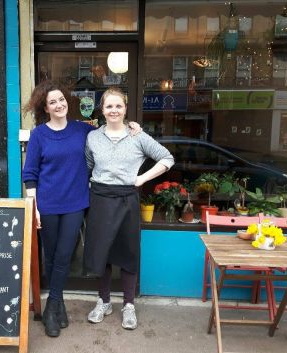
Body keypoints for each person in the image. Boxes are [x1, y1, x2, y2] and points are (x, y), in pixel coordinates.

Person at [22, 80, 140, 337]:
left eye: (61, 100)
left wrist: (132, 125)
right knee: (51, 257)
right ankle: (59, 304)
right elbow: (30, 173)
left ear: (67, 101)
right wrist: (34, 206)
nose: (58, 104)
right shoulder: (39, 135)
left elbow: (111, 128)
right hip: (48, 205)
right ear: (45, 106)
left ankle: (51, 308)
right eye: (52, 102)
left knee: (64, 256)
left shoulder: (82, 130)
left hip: (76, 203)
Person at [83, 88, 174, 330]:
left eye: (118, 106)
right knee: (101, 253)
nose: (113, 110)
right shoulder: (93, 137)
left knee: (128, 253)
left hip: (127, 199)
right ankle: (103, 302)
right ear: (102, 110)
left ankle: (128, 305)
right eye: (109, 106)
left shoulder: (138, 136)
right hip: (100, 199)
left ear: (125, 109)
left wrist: (142, 178)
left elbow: (167, 158)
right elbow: (89, 165)